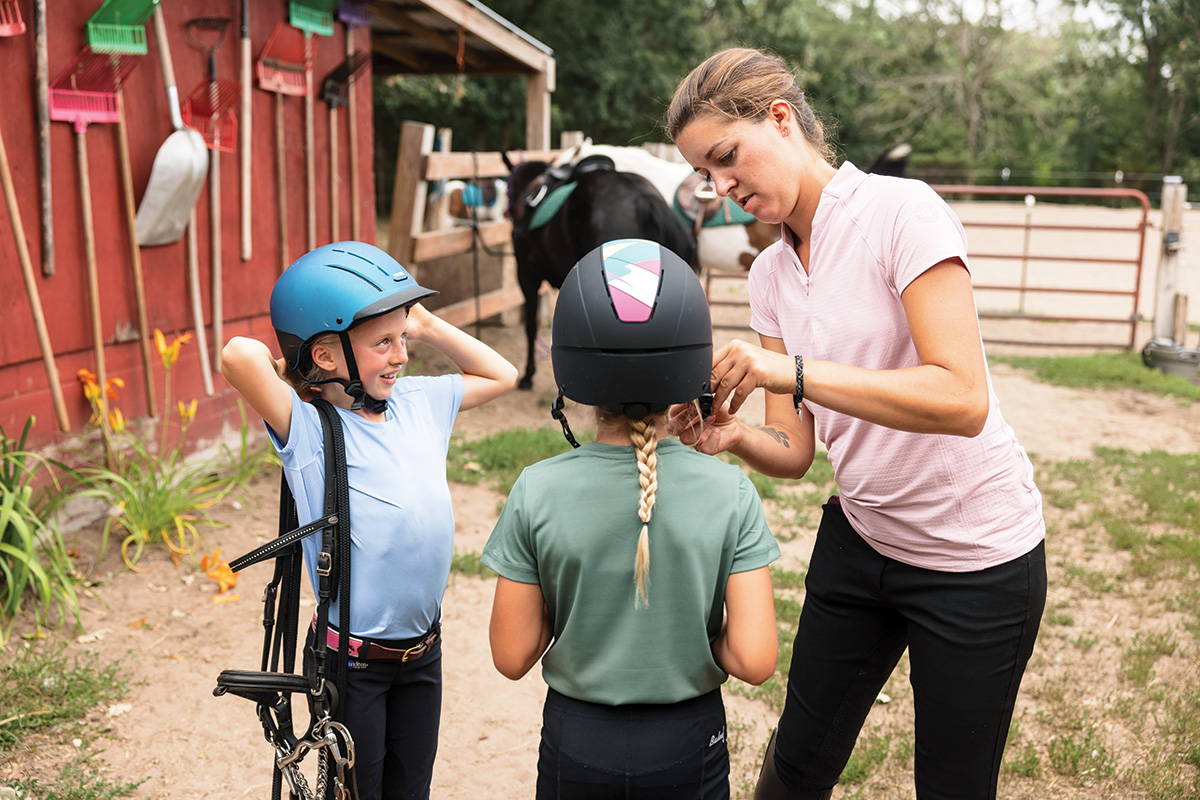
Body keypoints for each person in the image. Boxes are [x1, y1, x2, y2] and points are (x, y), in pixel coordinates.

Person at [664, 48, 1047, 800]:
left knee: (952, 785)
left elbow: (962, 397)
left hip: (976, 563)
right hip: (863, 540)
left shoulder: (901, 214)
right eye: (706, 174)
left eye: (727, 158)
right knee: (794, 771)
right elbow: (797, 448)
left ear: (780, 118)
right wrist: (736, 436)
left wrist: (793, 373)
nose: (721, 187)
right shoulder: (771, 272)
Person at [481, 238, 781, 799]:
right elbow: (755, 659)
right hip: (689, 740)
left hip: (579, 739)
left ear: (571, 371)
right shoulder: (731, 492)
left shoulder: (536, 490)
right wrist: (689, 638)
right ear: (692, 365)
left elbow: (512, 654)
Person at [221, 241, 518, 800]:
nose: (402, 354)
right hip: (352, 666)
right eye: (384, 342)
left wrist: (427, 325)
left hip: (422, 654)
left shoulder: (416, 402)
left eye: (403, 337)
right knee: (357, 791)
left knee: (412, 789)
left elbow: (502, 373)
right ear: (329, 355)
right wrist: (301, 370)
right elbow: (238, 355)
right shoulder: (308, 428)